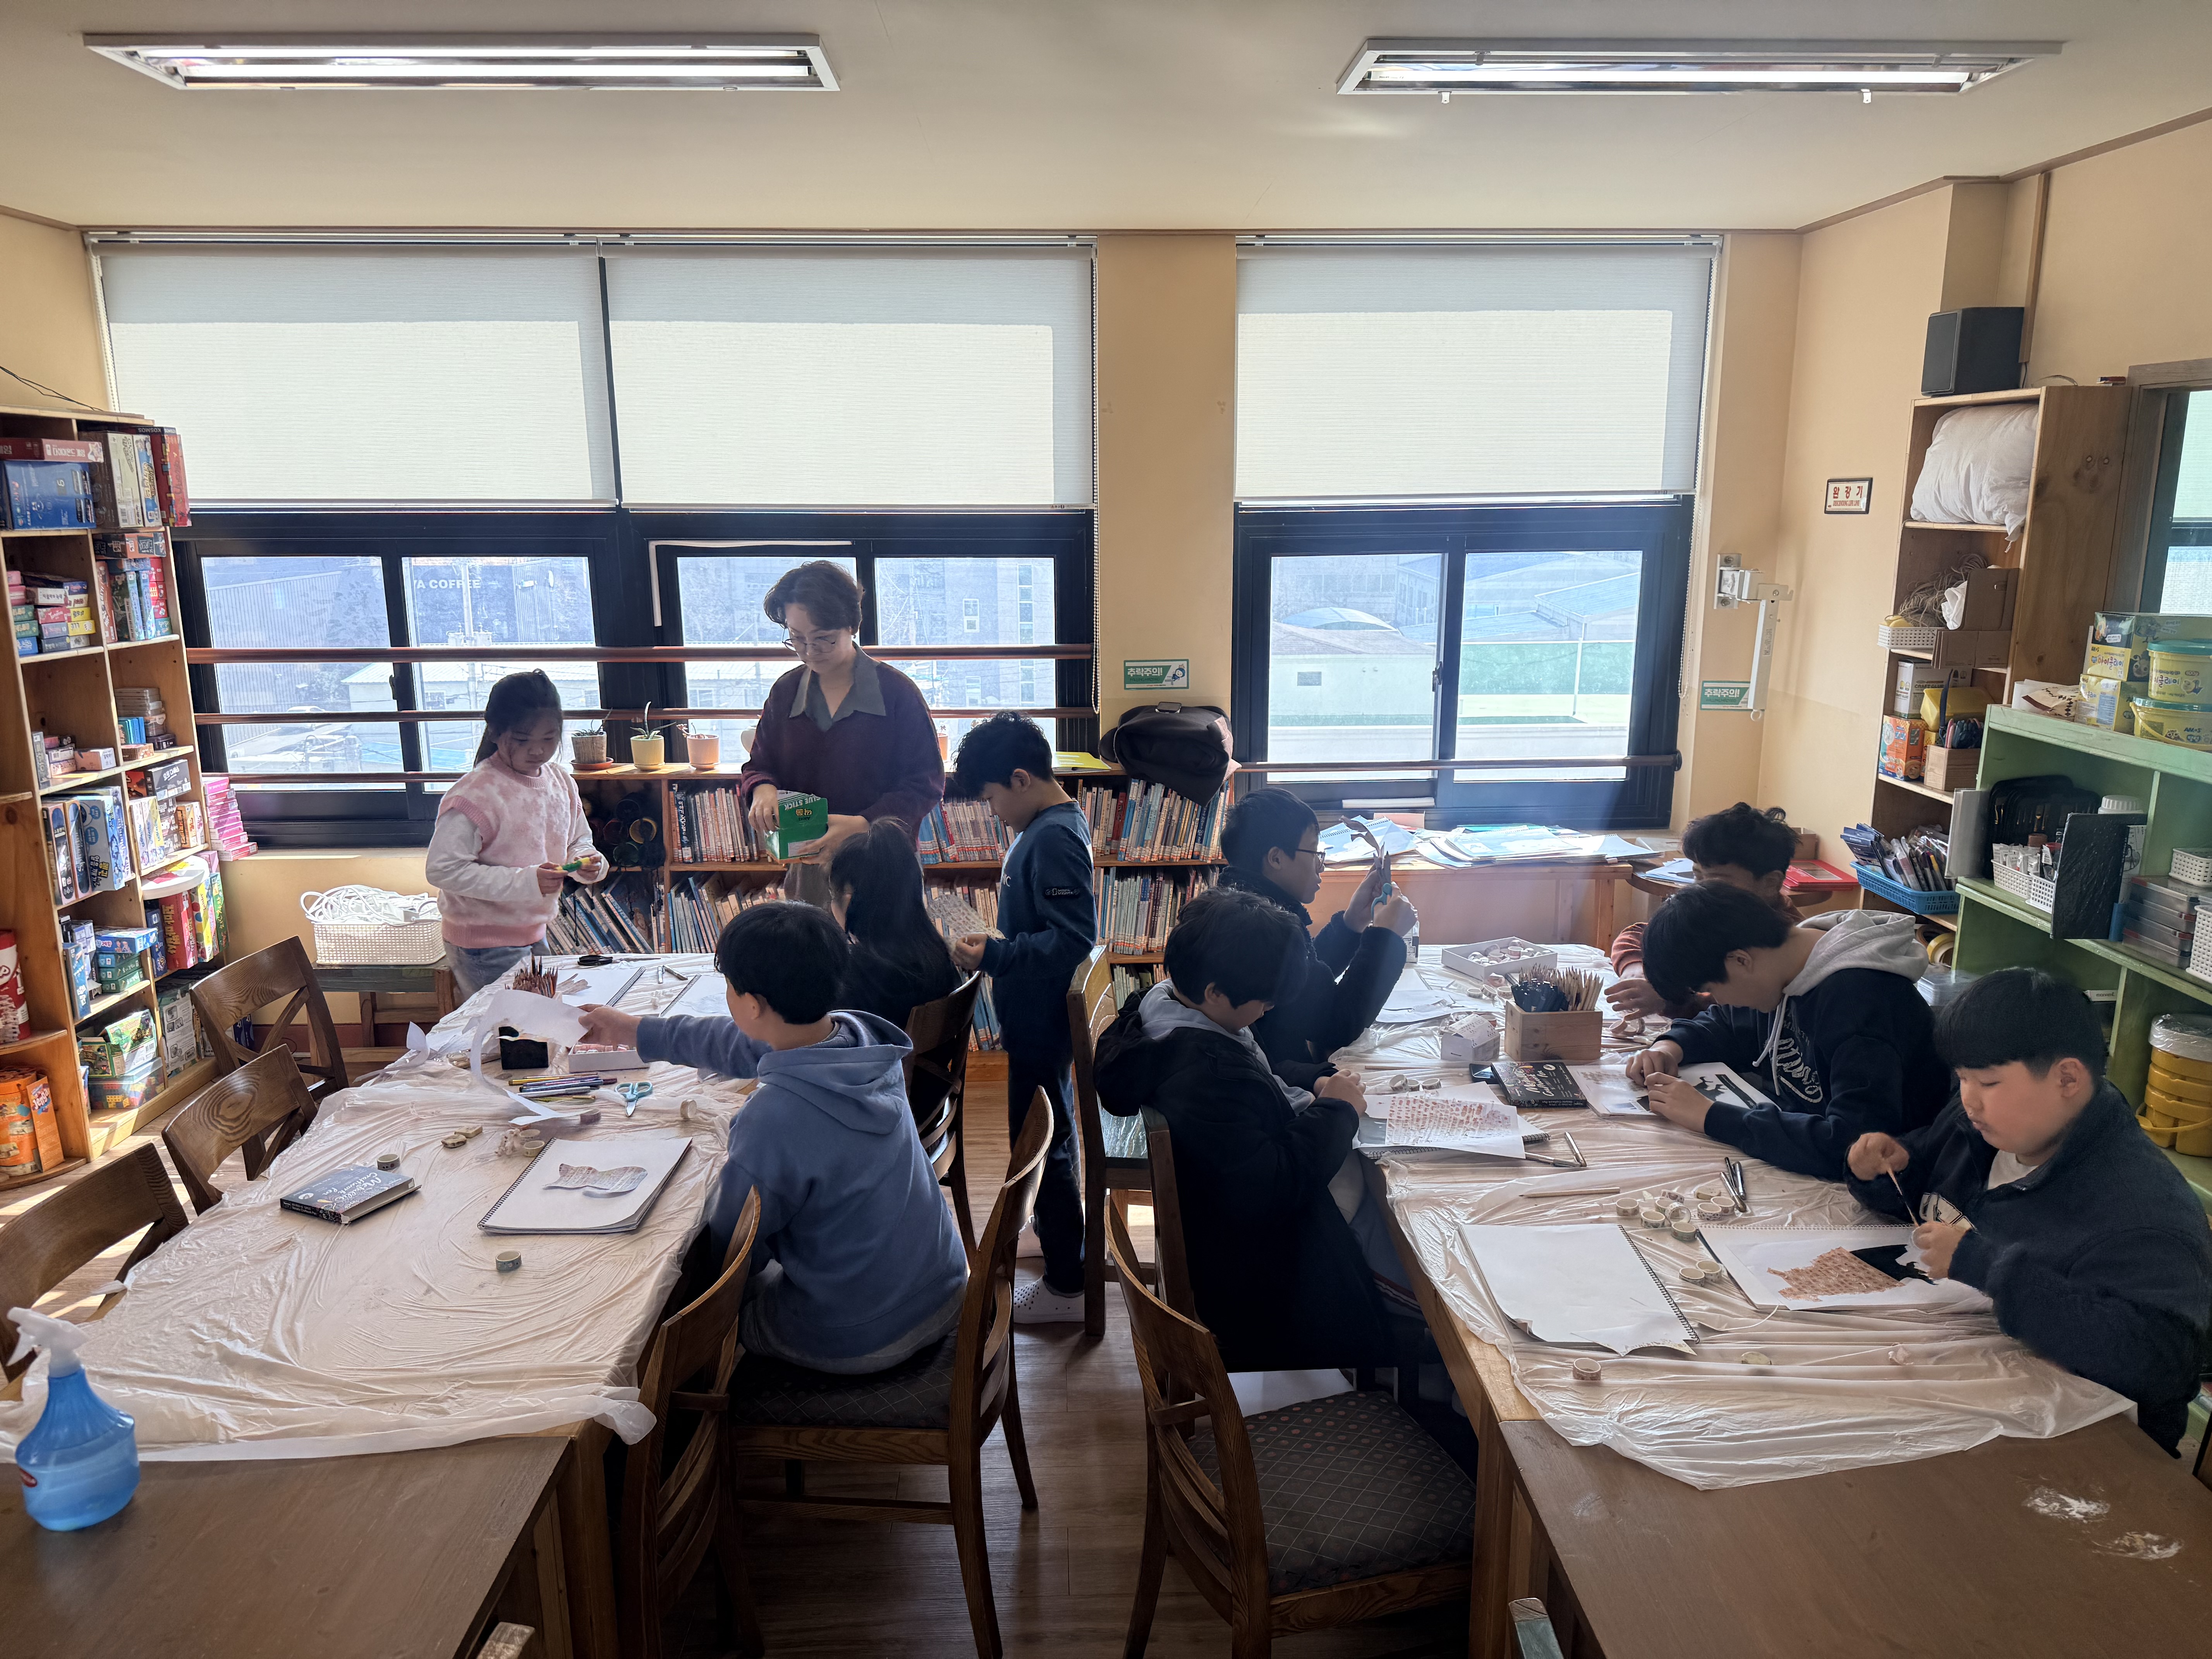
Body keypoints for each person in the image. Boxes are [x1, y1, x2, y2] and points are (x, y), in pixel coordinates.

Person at [576, 903, 968, 1374]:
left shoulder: (773, 1119)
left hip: (862, 1334)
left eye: (729, 985)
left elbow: (733, 1253)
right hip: (940, 1285)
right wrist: (634, 1030)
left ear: (753, 1005)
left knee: (679, 1325)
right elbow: (739, 1043)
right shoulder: (857, 1041)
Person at [1848, 969, 2212, 1454]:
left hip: (2081, 1447)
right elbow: (1925, 1196)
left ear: (2067, 1078)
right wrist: (1886, 1172)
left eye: (1988, 1082)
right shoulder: (1983, 1124)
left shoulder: (2142, 1213)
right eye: (1962, 1078)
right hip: (1961, 1386)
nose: (1968, 1099)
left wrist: (1987, 1267)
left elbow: (2158, 1364)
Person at [1093, 886, 1402, 1370]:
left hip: (1249, 1218)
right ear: (1216, 992)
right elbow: (1274, 1184)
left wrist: (1316, 1082)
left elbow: (1262, 1072)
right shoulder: (1207, 1077)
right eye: (1265, 1001)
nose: (1269, 1009)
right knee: (1403, 1224)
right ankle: (1408, 1349)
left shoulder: (1169, 1006)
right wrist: (1337, 1112)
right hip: (1270, 1265)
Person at [1625, 881, 1947, 1180]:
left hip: (1893, 1182)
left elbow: (1853, 1146)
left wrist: (1711, 1117)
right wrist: (1671, 1047)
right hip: (1796, 1140)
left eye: (1712, 989)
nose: (1718, 1000)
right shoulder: (1786, 967)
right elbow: (1728, 1024)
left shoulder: (1861, 1005)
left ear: (1740, 961)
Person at [946, 713, 1096, 1324]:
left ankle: (1067, 1283)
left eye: (991, 799)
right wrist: (999, 946)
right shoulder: (1047, 825)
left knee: (1042, 1141)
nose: (993, 813)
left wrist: (997, 955)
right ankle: (1058, 1235)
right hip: (1033, 1013)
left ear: (1020, 778)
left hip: (1041, 1018)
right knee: (1046, 1132)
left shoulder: (1053, 837)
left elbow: (1074, 938)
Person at [737, 561, 946, 903]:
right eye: (797, 638)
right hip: (809, 864)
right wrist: (762, 789)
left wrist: (864, 824)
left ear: (851, 625)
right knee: (811, 937)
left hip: (882, 862)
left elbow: (926, 783)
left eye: (823, 639)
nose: (809, 651)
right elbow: (760, 764)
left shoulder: (897, 693)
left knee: (882, 939)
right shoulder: (786, 692)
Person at [1218, 788, 1418, 1089]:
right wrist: (1385, 939)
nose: (1321, 864)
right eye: (1314, 852)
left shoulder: (1242, 903)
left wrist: (1352, 923)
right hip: (1281, 1082)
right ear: (1276, 858)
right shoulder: (1262, 927)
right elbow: (1338, 1023)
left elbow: (1300, 979)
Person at [425, 670, 608, 1000]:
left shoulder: (561, 782)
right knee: (509, 1030)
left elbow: (578, 839)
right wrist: (527, 882)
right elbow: (443, 870)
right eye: (523, 740)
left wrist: (587, 861)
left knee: (536, 1023)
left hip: (533, 932)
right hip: (482, 942)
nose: (538, 751)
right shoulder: (476, 794)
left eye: (549, 739)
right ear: (496, 732)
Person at [1607, 802, 1805, 1020]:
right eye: (1697, 875)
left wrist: (1668, 999)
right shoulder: (1711, 917)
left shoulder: (1785, 944)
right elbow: (1636, 935)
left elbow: (1732, 1011)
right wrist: (1637, 969)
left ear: (1770, 883)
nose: (1701, 888)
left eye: (1717, 881)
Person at [828, 816, 960, 1029]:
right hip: (928, 1051)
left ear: (851, 898)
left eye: (833, 894)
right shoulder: (935, 949)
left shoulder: (856, 973)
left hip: (886, 1053)